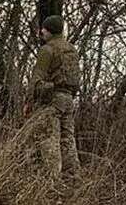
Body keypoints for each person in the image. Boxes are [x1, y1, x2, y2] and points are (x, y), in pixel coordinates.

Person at [22, 15, 81, 177]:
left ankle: (51, 180)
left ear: (48, 30)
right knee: (68, 138)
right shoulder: (72, 50)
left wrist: (29, 101)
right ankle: (73, 176)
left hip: (52, 100)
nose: (41, 32)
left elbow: (37, 78)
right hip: (68, 100)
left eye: (43, 29)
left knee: (50, 138)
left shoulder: (47, 50)